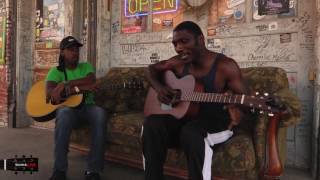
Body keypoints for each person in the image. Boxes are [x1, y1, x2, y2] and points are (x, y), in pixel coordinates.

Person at [142, 21, 253, 180]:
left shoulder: (225, 66)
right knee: (152, 124)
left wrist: (238, 106)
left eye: (184, 41)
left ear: (200, 40)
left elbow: (247, 101)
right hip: (187, 119)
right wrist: (160, 88)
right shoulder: (178, 62)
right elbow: (150, 70)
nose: (179, 48)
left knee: (193, 133)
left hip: (216, 123)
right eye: (175, 44)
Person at [46, 36, 107, 180]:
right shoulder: (55, 72)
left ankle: (93, 171)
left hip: (88, 108)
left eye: (77, 50)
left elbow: (90, 80)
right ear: (62, 52)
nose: (75, 53)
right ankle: (59, 170)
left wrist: (65, 84)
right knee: (64, 113)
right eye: (71, 49)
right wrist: (70, 89)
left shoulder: (86, 66)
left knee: (100, 113)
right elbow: (49, 92)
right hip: (69, 110)